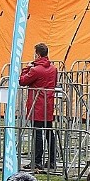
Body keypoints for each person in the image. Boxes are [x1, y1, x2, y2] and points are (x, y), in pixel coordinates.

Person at [19, 42, 58, 171]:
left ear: (37, 54)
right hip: (48, 104)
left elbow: (23, 81)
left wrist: (26, 68)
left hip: (37, 105)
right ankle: (52, 160)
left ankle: (37, 161)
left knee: (38, 133)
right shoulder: (53, 69)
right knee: (49, 133)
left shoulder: (35, 69)